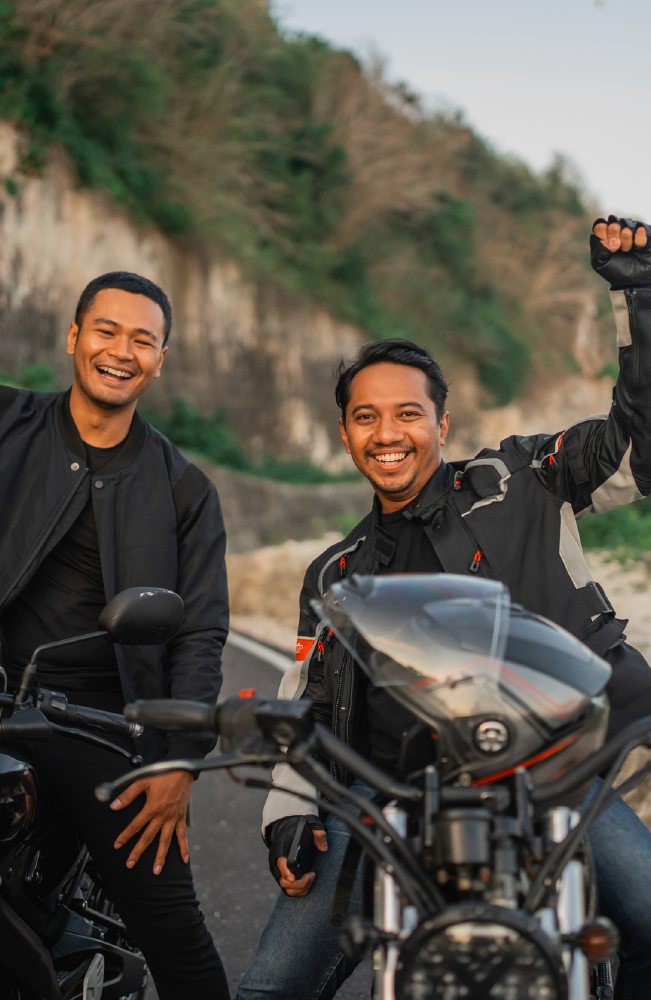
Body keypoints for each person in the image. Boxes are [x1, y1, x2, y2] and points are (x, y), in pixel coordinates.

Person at [236, 216, 651, 1000]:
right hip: (384, 805)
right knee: (266, 988)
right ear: (345, 433)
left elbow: (639, 450)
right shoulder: (333, 574)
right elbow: (305, 709)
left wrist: (638, 297)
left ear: (441, 423)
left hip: (552, 778)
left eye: (406, 414)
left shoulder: (522, 476)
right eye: (366, 417)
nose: (387, 433)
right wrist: (285, 820)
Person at [0, 215, 231, 1000]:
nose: (121, 350)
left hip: (91, 723)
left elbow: (200, 630)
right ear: (73, 338)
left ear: (159, 361)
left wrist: (177, 762)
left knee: (174, 933)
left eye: (141, 340)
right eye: (106, 330)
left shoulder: (183, 491)